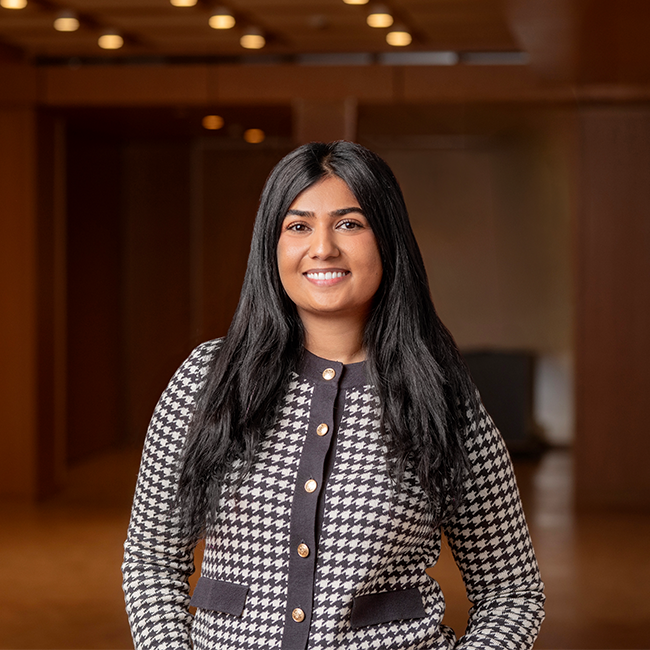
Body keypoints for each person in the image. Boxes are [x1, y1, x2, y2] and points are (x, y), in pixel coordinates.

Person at [122, 141, 545, 650]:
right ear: (271, 246)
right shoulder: (208, 379)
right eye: (298, 226)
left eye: (349, 223)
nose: (322, 248)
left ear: (386, 240)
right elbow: (151, 559)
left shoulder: (440, 393)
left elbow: (512, 591)